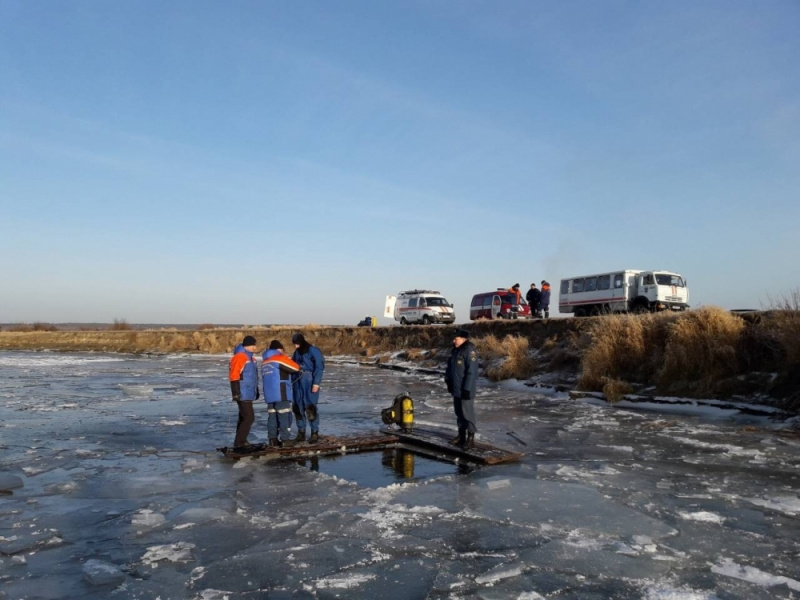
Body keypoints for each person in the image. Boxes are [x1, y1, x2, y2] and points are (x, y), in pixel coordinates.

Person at [261, 340, 301, 448]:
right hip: (281, 392)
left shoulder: (265, 362)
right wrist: (287, 358)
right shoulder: (279, 358)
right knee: (284, 415)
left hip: (269, 395)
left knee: (272, 417)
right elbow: (295, 368)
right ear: (279, 349)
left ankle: (272, 439)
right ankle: (285, 439)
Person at [444, 328, 479, 449]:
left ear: (464, 339)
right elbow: (450, 368)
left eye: (456, 339)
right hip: (456, 388)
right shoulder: (455, 351)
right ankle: (461, 436)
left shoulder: (469, 351)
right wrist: (448, 380)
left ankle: (470, 438)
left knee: (467, 413)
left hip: (465, 389)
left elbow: (472, 372)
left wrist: (467, 389)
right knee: (459, 413)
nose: (454, 341)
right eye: (454, 339)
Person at [291, 333, 325, 444]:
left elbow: (319, 367)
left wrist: (316, 383)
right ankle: (301, 432)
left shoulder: (313, 350)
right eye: (294, 344)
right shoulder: (296, 352)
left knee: (310, 407)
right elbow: (292, 366)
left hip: (309, 380)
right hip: (297, 381)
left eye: (297, 344)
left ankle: (314, 432)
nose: (296, 346)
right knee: (297, 406)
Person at [229, 335, 260, 453]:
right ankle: (239, 442)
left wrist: (256, 391)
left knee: (243, 417)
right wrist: (235, 392)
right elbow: (234, 375)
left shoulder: (252, 359)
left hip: (248, 392)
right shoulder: (240, 357)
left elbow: (252, 378)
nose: (255, 347)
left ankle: (240, 441)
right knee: (249, 417)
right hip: (242, 392)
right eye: (254, 345)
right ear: (248, 345)